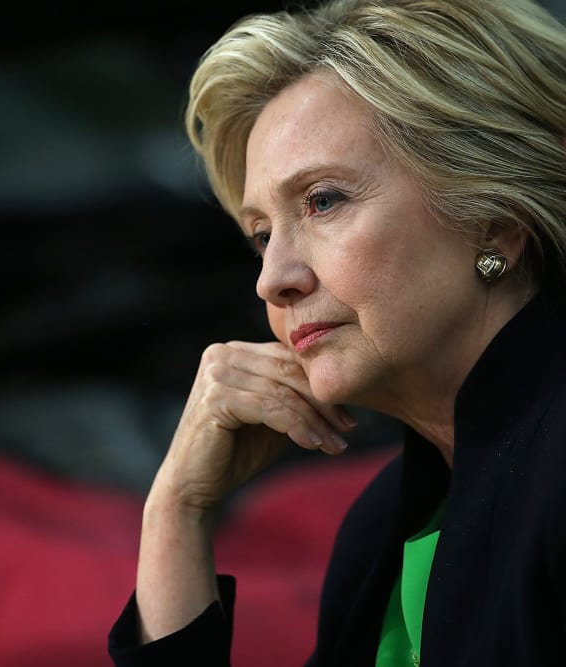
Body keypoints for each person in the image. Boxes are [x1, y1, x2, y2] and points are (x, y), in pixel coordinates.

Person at [107, 0, 566, 664]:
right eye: (261, 235)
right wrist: (177, 510)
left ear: (494, 219)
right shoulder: (380, 529)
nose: (272, 280)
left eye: (323, 201)